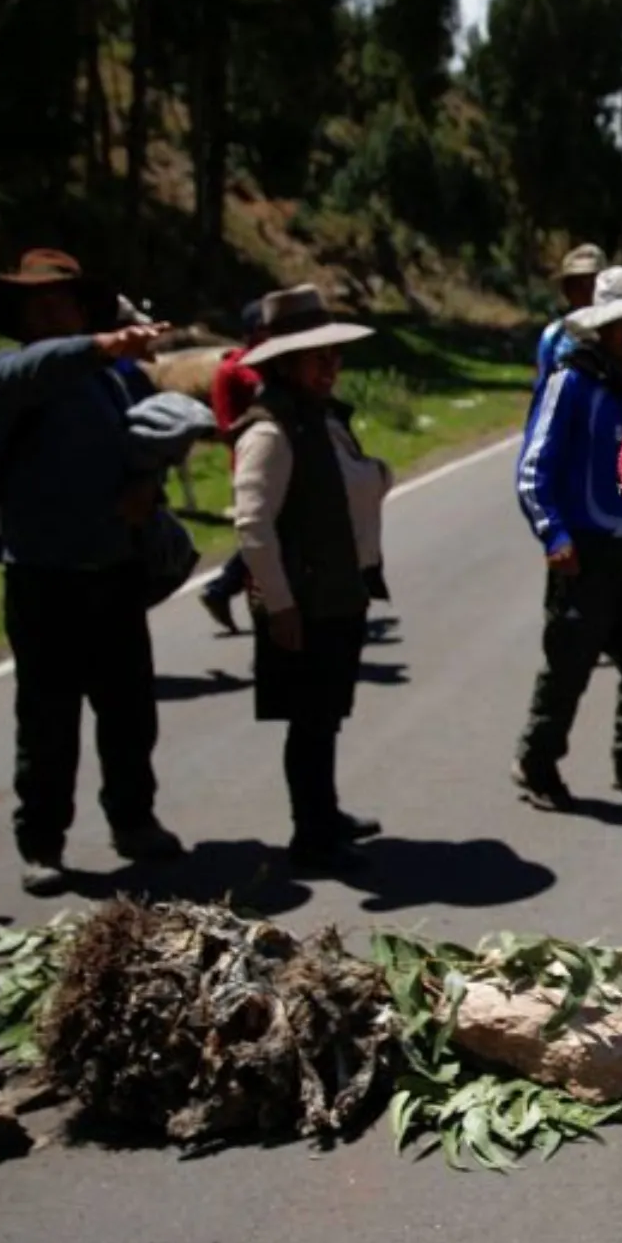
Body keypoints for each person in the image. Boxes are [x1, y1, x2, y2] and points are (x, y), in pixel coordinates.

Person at [0, 248, 184, 894]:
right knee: (47, 721)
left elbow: (152, 435)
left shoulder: (115, 380)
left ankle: (134, 821)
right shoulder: (8, 374)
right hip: (43, 577)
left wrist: (147, 483)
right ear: (19, 316)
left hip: (115, 568)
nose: (50, 311)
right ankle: (42, 843)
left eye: (61, 301)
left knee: (128, 710)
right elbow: (47, 363)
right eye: (37, 304)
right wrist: (103, 344)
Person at [230, 286, 392, 872]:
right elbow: (252, 524)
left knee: (325, 717)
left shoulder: (319, 421)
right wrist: (281, 606)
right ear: (283, 362)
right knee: (309, 722)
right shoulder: (271, 432)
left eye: (333, 355)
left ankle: (325, 815)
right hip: (304, 599)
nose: (330, 367)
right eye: (315, 357)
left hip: (337, 592)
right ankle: (312, 833)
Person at [513, 265, 622, 811]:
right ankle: (537, 764)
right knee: (567, 670)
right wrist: (553, 533)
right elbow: (535, 468)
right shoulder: (571, 382)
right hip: (582, 553)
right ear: (599, 329)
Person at [197, 299, 268, 634]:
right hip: (253, 464)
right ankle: (224, 589)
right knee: (265, 533)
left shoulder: (277, 363)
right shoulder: (233, 371)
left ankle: (224, 590)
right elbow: (227, 427)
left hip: (286, 460)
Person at [533, 244, 622, 390]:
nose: (586, 290)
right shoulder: (554, 336)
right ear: (567, 289)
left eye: (592, 282)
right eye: (578, 284)